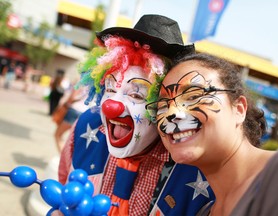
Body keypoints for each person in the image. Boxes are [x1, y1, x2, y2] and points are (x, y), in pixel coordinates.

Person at [58, 15, 214, 216]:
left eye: (136, 94)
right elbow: (64, 183)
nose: (113, 106)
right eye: (111, 88)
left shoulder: (193, 163)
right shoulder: (85, 126)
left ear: (166, 103)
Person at [146, 52, 278, 215]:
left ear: (239, 109)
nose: (171, 113)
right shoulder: (206, 211)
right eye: (162, 106)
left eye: (193, 96)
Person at [54, 85, 88, 153]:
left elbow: (72, 97)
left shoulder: (81, 81)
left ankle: (63, 158)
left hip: (74, 110)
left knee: (57, 135)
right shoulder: (97, 82)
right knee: (74, 140)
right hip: (85, 113)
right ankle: (67, 158)